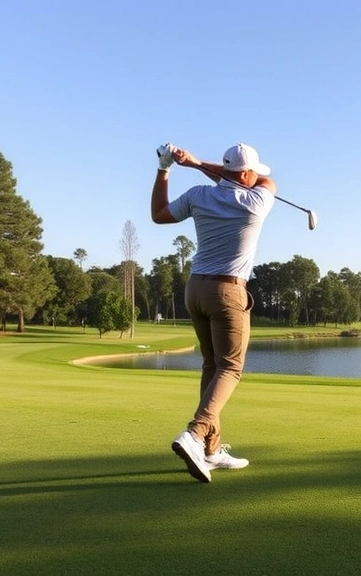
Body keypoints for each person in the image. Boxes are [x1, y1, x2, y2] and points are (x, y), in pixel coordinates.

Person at [151, 142, 277, 483]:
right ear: (247, 174)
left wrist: (167, 167)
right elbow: (268, 182)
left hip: (195, 290)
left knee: (212, 365)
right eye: (254, 173)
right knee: (231, 368)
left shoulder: (198, 195)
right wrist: (196, 162)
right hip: (228, 292)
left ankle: (210, 449)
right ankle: (194, 434)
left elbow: (159, 214)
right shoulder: (256, 201)